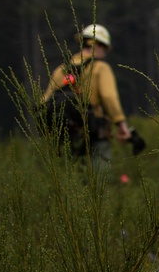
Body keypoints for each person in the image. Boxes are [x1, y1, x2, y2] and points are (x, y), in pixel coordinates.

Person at [42, 24, 131, 169]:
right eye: (105, 49)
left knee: (70, 176)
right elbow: (109, 97)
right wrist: (122, 125)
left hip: (64, 137)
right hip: (94, 135)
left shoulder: (61, 70)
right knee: (99, 179)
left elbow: (45, 101)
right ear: (99, 46)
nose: (105, 54)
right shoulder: (101, 68)